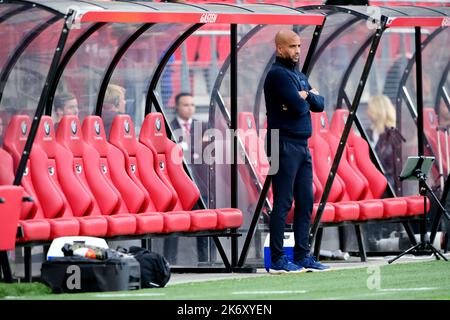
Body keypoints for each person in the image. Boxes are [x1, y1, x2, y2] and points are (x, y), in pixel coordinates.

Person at [264, 30, 329, 273]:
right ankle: (278, 260)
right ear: (279, 48)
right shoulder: (277, 75)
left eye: (299, 46)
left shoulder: (299, 76)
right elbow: (301, 107)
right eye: (292, 47)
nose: (297, 51)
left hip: (301, 143)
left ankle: (303, 255)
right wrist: (305, 97)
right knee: (283, 201)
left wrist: (305, 96)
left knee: (305, 200)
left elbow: (319, 105)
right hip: (280, 142)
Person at [164, 92, 210, 265]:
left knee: (203, 222)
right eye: (185, 105)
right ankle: (170, 260)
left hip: (200, 182)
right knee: (174, 223)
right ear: (177, 106)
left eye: (192, 104)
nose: (189, 108)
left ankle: (205, 261)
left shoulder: (204, 126)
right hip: (178, 183)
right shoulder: (170, 126)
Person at [366, 95, 405, 190]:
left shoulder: (392, 134)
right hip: (374, 178)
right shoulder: (368, 132)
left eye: (369, 109)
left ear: (377, 111)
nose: (366, 112)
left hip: (389, 181)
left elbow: (383, 160)